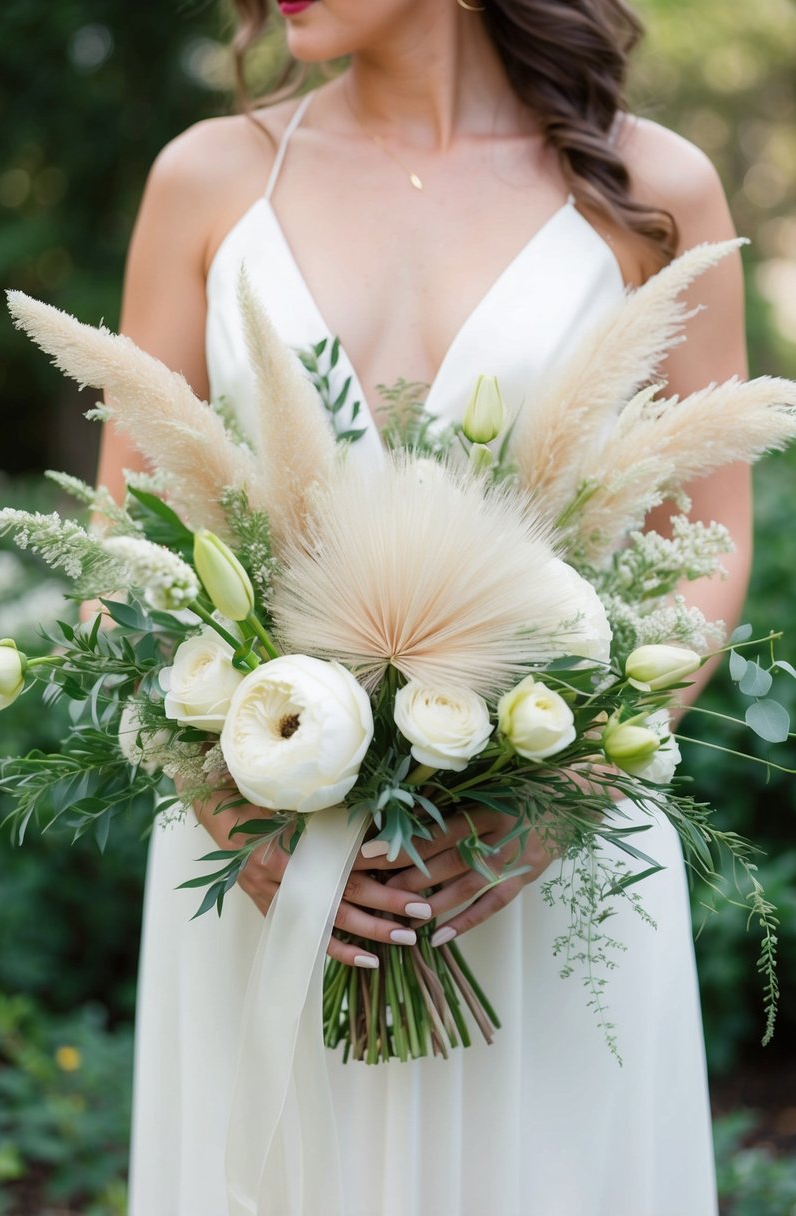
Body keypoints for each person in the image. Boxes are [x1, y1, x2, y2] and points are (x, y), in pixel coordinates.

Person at [95, 2, 752, 1212]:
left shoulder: (654, 185)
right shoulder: (208, 176)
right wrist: (232, 814)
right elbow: (122, 548)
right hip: (263, 855)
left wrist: (560, 801)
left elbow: (708, 543)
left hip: (539, 875)